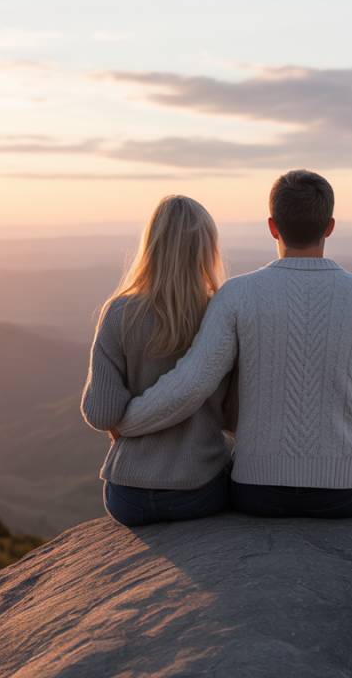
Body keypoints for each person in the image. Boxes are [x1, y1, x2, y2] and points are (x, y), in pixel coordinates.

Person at [114, 170, 352, 526]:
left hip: (255, 491)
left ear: (272, 226)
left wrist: (126, 421)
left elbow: (191, 385)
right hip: (344, 494)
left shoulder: (238, 295)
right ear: (329, 226)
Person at [80, 195, 235, 527]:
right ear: (207, 249)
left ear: (151, 245)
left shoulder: (119, 312)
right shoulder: (219, 313)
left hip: (127, 496)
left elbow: (101, 413)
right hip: (200, 490)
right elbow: (234, 414)